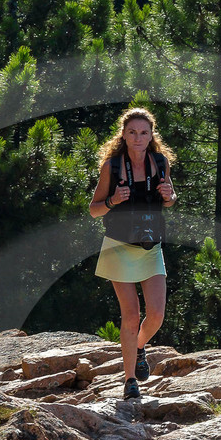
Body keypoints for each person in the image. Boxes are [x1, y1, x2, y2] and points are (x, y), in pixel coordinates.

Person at [89, 105, 177, 401]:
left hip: (151, 246)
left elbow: (169, 199)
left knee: (156, 315)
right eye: (132, 132)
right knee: (131, 314)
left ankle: (138, 347)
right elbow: (94, 210)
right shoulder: (112, 167)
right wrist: (113, 201)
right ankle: (129, 381)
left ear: (152, 135)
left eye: (143, 132)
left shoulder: (160, 162)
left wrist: (169, 197)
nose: (138, 137)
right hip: (118, 247)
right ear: (123, 135)